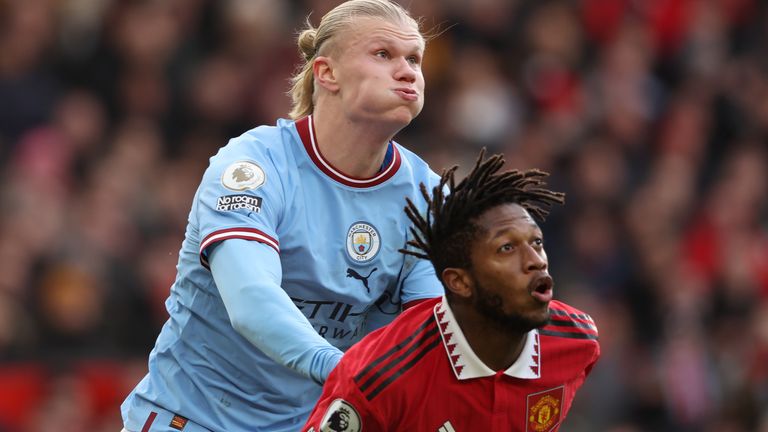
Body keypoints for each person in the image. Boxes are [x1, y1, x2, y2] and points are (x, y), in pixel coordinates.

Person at [120, 1, 445, 431]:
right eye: (383, 54)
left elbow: (427, 329)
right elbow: (252, 300)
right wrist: (349, 373)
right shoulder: (253, 167)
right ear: (326, 73)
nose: (407, 71)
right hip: (192, 418)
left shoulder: (429, 195)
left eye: (414, 59)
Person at [303, 151, 601, 432]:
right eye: (506, 248)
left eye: (536, 243)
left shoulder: (577, 340)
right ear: (459, 282)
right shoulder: (377, 377)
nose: (536, 261)